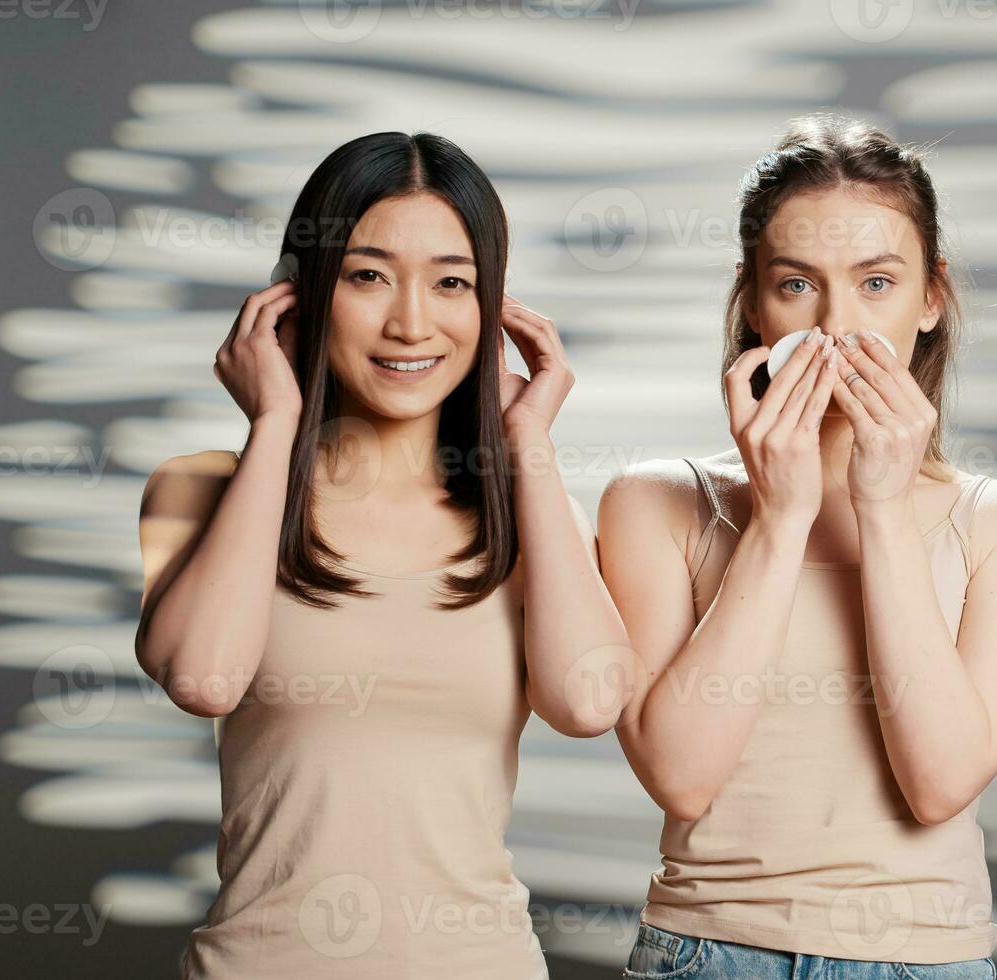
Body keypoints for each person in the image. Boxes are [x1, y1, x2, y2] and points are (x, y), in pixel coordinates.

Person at [135, 131, 633, 978]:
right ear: (301, 295)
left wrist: (528, 445)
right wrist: (274, 425)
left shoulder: (530, 517)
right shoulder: (202, 491)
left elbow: (588, 701)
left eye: (451, 283)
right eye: (368, 276)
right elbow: (204, 680)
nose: (411, 321)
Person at [595, 114, 997, 980]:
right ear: (752, 301)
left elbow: (939, 783)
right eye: (798, 285)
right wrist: (778, 519)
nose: (839, 326)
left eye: (877, 282)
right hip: (706, 953)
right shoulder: (654, 503)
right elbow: (681, 777)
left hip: (924, 961)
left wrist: (882, 507)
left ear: (932, 297)